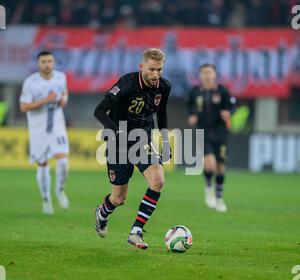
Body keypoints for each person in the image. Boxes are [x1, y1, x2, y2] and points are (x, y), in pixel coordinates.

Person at [94, 48, 171, 250]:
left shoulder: (164, 87)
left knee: (158, 180)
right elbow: (99, 111)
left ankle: (136, 231)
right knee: (118, 199)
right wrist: (116, 132)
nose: (155, 75)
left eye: (159, 70)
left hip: (141, 140)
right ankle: (102, 213)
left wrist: (165, 140)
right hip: (117, 141)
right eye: (151, 69)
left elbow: (161, 114)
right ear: (142, 67)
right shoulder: (126, 84)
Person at [19, 51, 70, 215]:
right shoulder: (31, 82)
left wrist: (63, 100)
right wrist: (45, 100)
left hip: (57, 125)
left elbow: (64, 93)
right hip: (38, 129)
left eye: (49, 61)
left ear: (54, 62)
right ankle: (46, 200)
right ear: (38, 64)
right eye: (43, 62)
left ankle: (60, 190)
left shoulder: (61, 77)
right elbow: (24, 106)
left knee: (63, 161)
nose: (47, 64)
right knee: (42, 164)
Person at [186, 63, 236, 212]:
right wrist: (191, 116)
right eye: (204, 73)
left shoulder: (222, 91)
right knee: (209, 164)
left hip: (220, 132)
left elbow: (232, 104)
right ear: (200, 76)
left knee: (220, 166)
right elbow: (188, 105)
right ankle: (209, 189)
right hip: (203, 131)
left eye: (210, 73)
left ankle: (219, 199)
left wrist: (228, 112)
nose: (207, 76)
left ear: (215, 75)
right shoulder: (195, 91)